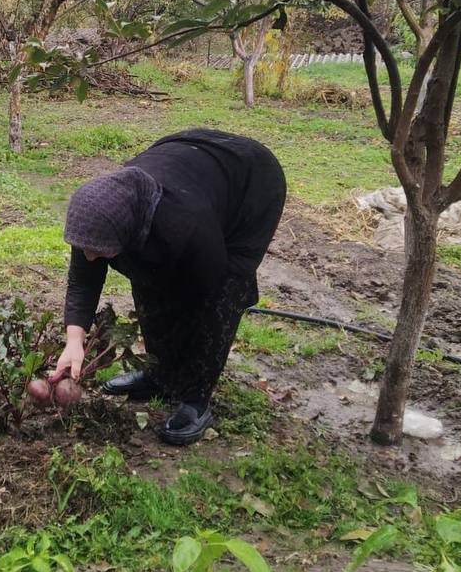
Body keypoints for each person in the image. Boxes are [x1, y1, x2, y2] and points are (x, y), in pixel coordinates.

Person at [49, 129, 286, 447]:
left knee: (220, 295)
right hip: (187, 163)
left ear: (128, 230)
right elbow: (83, 281)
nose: (90, 256)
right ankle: (159, 376)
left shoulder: (186, 226)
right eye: (85, 249)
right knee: (149, 282)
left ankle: (196, 399)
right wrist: (74, 341)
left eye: (97, 251)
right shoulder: (99, 214)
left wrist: (188, 347)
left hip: (249, 184)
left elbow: (205, 295)